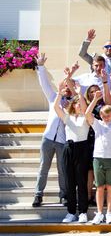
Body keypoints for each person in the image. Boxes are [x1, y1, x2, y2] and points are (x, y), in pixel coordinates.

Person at [32, 53, 69, 207]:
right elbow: (44, 84)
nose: (65, 90)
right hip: (48, 139)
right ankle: (38, 195)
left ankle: (64, 195)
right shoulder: (53, 97)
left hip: (62, 141)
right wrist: (40, 66)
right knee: (43, 167)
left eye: (67, 88)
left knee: (62, 170)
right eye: (63, 87)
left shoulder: (73, 105)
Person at [85, 90, 111, 224]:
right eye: (103, 115)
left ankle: (109, 213)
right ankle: (99, 213)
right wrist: (95, 100)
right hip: (98, 158)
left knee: (110, 186)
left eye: (108, 115)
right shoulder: (97, 124)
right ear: (101, 115)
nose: (106, 117)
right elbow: (87, 114)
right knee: (99, 187)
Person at [54, 80, 90, 224]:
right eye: (77, 103)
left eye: (81, 103)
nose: (79, 106)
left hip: (82, 149)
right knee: (69, 182)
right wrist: (59, 92)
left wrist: (80, 93)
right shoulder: (67, 117)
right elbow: (56, 107)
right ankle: (70, 212)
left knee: (81, 182)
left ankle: (82, 212)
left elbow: (85, 107)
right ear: (73, 105)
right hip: (68, 149)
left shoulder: (87, 118)